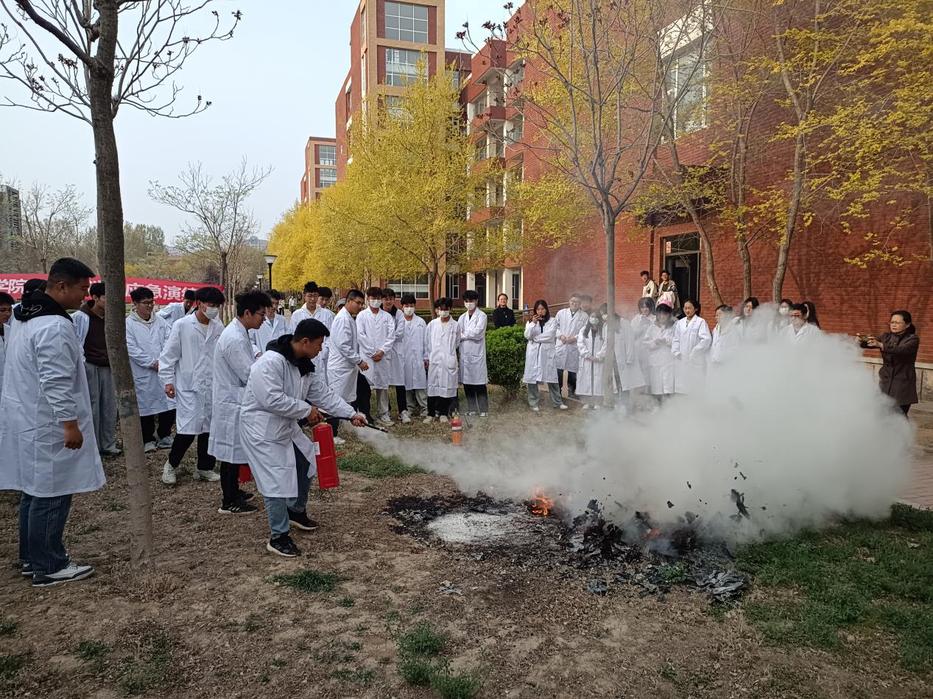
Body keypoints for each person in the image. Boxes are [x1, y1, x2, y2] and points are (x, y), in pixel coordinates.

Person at [0, 257, 104, 586]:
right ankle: (49, 564)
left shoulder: (25, 315)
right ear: (61, 286)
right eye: (82, 289)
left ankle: (31, 558)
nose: (85, 296)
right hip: (49, 423)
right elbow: (56, 380)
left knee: (34, 491)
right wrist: (69, 424)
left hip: (29, 417)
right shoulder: (54, 326)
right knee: (52, 491)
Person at [241, 319, 368, 556]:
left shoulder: (305, 365)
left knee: (307, 462)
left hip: (285, 426)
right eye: (319, 344)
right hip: (263, 430)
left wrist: (351, 414)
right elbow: (271, 399)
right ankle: (279, 536)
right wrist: (306, 410)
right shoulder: (270, 363)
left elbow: (324, 395)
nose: (321, 349)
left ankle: (295, 511)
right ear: (305, 341)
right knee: (275, 482)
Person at [209, 291, 270, 514]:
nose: (264, 319)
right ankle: (229, 500)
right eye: (261, 314)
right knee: (230, 452)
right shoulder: (234, 338)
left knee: (235, 449)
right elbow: (248, 373)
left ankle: (234, 490)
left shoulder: (240, 332)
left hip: (235, 399)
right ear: (247, 313)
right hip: (231, 402)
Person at [158, 286, 225, 486]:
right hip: (189, 387)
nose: (214, 309)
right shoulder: (182, 325)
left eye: (217, 306)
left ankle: (204, 467)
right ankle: (171, 464)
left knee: (209, 429)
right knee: (187, 430)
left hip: (211, 386)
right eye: (211, 305)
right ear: (199, 303)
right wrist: (167, 381)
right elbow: (168, 356)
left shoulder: (218, 327)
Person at [125, 287, 175, 452]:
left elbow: (170, 341)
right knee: (145, 406)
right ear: (135, 304)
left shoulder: (160, 321)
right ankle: (147, 439)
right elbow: (132, 349)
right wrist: (152, 363)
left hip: (163, 369)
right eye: (145, 303)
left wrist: (164, 361)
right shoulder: (128, 324)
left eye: (151, 302)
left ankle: (164, 434)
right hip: (143, 372)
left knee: (168, 403)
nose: (149, 306)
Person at [73, 282, 119, 457]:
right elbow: (77, 342)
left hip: (108, 366)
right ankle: (93, 445)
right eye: (106, 297)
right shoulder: (81, 317)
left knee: (109, 407)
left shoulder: (112, 317)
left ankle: (108, 444)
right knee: (92, 406)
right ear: (95, 298)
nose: (110, 301)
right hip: (90, 365)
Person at [327, 289, 368, 441]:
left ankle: (346, 422)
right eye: (358, 303)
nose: (360, 306)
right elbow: (343, 345)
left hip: (347, 368)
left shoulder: (349, 318)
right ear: (349, 301)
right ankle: (332, 434)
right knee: (336, 400)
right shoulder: (342, 319)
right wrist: (359, 361)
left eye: (362, 304)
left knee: (348, 397)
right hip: (340, 368)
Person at [860, 311, 920, 416]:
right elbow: (871, 343)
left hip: (902, 383)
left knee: (899, 416)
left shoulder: (912, 339)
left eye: (897, 322)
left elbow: (901, 350)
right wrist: (861, 340)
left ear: (907, 324)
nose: (894, 325)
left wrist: (881, 345)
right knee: (881, 415)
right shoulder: (885, 337)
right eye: (892, 322)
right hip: (885, 381)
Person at [356, 287, 397, 425]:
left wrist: (382, 351)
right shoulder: (362, 316)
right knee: (364, 388)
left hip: (383, 357)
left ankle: (384, 414)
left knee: (383, 387)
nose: (376, 301)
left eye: (378, 298)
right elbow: (360, 335)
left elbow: (391, 336)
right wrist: (372, 353)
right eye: (373, 298)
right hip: (367, 357)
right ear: (368, 299)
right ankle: (364, 414)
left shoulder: (387, 317)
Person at [523, 299, 566, 412]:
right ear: (535, 310)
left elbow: (550, 336)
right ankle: (533, 402)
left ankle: (557, 402)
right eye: (538, 309)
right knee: (532, 379)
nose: (540, 311)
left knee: (552, 378)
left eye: (542, 309)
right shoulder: (530, 322)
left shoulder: (552, 321)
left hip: (547, 353)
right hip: (534, 354)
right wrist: (533, 324)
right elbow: (527, 335)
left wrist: (535, 339)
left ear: (546, 309)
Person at [424, 297, 460, 422]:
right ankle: (431, 413)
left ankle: (444, 413)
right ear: (437, 310)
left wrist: (448, 354)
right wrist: (428, 357)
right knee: (432, 387)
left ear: (450, 309)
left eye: (445, 309)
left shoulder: (455, 325)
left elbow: (457, 342)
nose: (443, 311)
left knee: (446, 387)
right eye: (440, 309)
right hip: (434, 359)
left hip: (448, 360)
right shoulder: (432, 324)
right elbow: (427, 342)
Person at [458, 290, 489, 416]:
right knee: (467, 383)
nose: (469, 303)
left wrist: (464, 335)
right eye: (466, 301)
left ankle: (483, 410)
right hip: (465, 354)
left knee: (479, 383)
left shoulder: (482, 316)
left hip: (477, 354)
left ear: (476, 301)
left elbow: (478, 333)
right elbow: (458, 334)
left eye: (471, 301)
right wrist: (464, 335)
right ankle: (472, 409)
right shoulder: (462, 317)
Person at [672, 299, 712, 395]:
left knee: (694, 388)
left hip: (695, 360)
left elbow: (706, 339)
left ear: (696, 309)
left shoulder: (700, 322)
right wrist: (676, 352)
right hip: (682, 359)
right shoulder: (680, 323)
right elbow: (676, 339)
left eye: (689, 308)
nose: (687, 310)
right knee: (682, 389)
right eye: (685, 308)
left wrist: (695, 351)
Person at [398, 294, 429, 418]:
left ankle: (424, 407)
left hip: (418, 358)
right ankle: (409, 407)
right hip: (404, 358)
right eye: (406, 306)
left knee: (420, 384)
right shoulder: (399, 322)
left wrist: (426, 357)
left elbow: (426, 341)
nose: (409, 308)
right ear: (402, 307)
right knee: (407, 385)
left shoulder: (421, 322)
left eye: (411, 305)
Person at [382, 288, 409, 422]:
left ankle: (403, 411)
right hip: (382, 352)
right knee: (383, 383)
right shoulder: (378, 313)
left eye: (391, 299)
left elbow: (400, 333)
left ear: (394, 300)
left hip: (396, 351)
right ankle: (385, 410)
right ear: (382, 300)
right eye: (386, 299)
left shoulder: (399, 314)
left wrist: (385, 338)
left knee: (400, 382)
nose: (388, 301)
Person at [554, 294, 588, 399]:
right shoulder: (561, 313)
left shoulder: (584, 316)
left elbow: (585, 331)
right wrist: (561, 336)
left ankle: (572, 392)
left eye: (577, 302)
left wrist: (575, 338)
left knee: (573, 372)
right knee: (559, 371)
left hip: (574, 346)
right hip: (561, 344)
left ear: (580, 304)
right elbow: (555, 327)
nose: (574, 303)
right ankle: (557, 392)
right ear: (569, 301)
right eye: (572, 301)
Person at [612, 305, 645, 406]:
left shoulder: (624, 323)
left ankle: (626, 406)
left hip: (625, 360)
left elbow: (630, 342)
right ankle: (618, 405)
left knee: (625, 384)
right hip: (614, 359)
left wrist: (629, 358)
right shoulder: (607, 325)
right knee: (617, 383)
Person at [644, 303, 676, 403]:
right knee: (656, 387)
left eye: (665, 314)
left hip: (669, 361)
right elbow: (645, 342)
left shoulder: (674, 327)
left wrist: (667, 341)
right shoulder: (652, 327)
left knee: (668, 387)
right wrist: (655, 343)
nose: (662, 316)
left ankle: (669, 408)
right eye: (660, 314)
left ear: (669, 315)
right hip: (655, 361)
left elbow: (678, 341)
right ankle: (658, 407)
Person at [576, 309, 607, 409]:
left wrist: (599, 356)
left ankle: (597, 402)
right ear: (589, 318)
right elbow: (580, 344)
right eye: (592, 317)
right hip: (587, 360)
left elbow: (606, 344)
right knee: (586, 380)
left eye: (596, 317)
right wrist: (588, 355)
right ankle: (587, 402)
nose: (594, 319)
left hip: (598, 360)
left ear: (599, 319)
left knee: (598, 380)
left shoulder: (603, 330)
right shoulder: (583, 330)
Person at [250, 289, 288, 356]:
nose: (274, 306)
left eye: (276, 303)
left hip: (279, 358)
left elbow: (287, 339)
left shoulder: (282, 320)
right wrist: (258, 353)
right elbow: (250, 341)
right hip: (262, 358)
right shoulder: (256, 320)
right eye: (272, 303)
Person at [631, 297, 656, 380]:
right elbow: (632, 334)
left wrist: (649, 323)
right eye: (642, 307)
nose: (644, 309)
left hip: (651, 349)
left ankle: (650, 385)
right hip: (638, 348)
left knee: (650, 369)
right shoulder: (636, 319)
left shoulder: (655, 319)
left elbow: (657, 334)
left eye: (646, 307)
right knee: (639, 369)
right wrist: (641, 325)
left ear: (651, 307)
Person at [0, 291, 13, 400]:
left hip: (8, 384)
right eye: (3, 310)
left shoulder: (11, 331)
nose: (7, 314)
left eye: (9, 310)